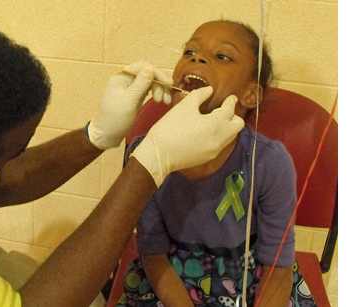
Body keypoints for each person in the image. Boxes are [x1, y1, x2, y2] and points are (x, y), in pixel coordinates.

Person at [0, 1, 244, 306]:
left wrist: (96, 135)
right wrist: (149, 164)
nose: (197, 62)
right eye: (15, 151)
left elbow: (0, 184)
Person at [116, 20, 318, 307]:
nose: (196, 59)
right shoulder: (146, 155)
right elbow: (154, 255)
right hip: (171, 280)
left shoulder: (270, 163)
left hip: (254, 282)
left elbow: (277, 266)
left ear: (250, 94)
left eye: (222, 56)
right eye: (189, 52)